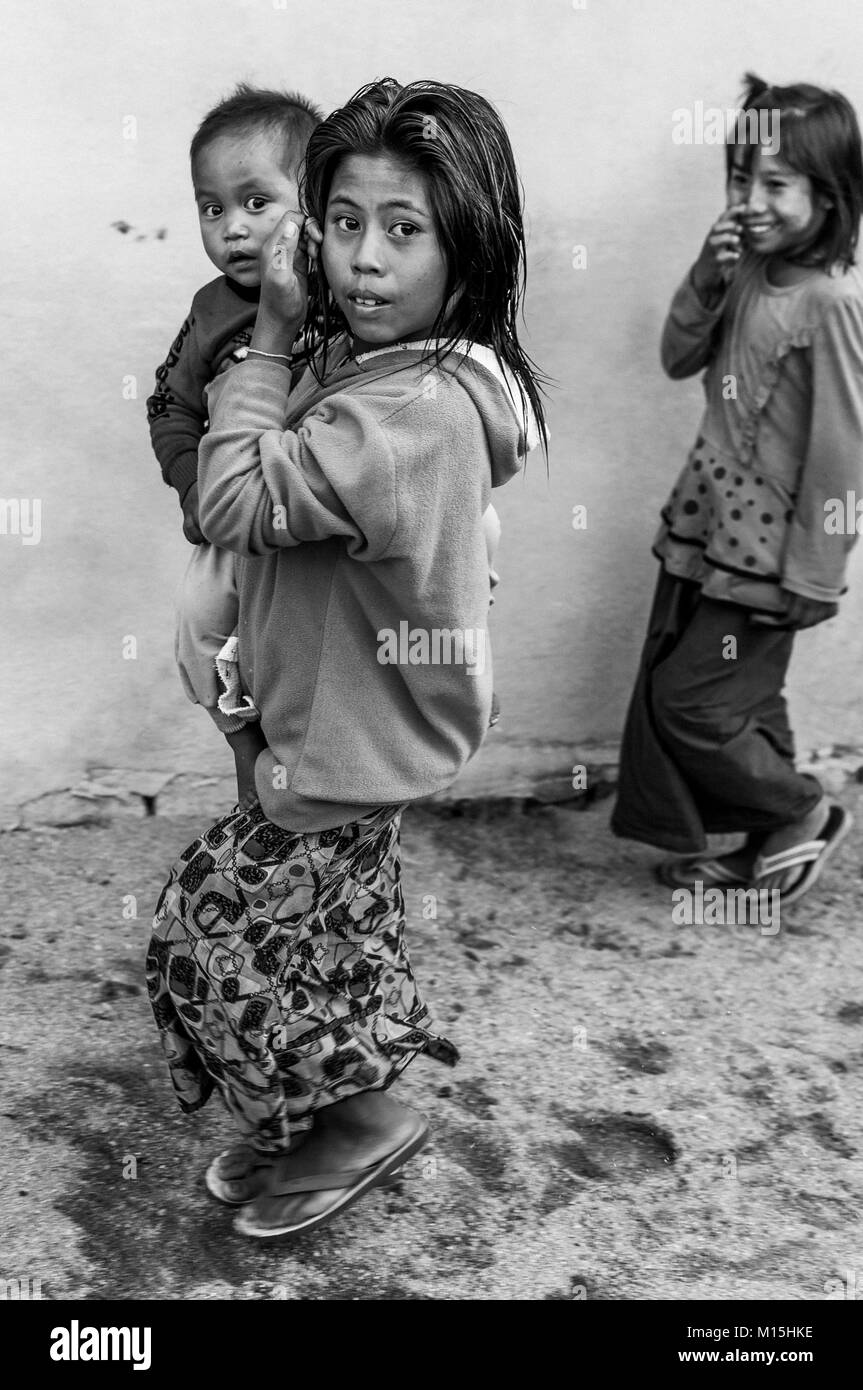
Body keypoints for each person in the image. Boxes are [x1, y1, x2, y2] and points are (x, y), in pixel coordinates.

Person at [146, 76, 547, 1239]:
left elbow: (228, 497)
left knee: (209, 941)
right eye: (346, 221)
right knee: (326, 936)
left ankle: (355, 1121)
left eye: (404, 229)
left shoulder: (404, 413)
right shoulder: (396, 363)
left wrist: (266, 341)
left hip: (342, 741)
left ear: (465, 253)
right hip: (350, 719)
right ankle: (330, 1119)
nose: (365, 257)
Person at [612, 74, 863, 905]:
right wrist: (704, 276)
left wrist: (814, 574)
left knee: (689, 701)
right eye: (739, 178)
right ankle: (766, 839)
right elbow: (678, 356)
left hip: (771, 553)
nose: (749, 200)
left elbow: (842, 452)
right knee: (742, 699)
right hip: (708, 527)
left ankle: (802, 812)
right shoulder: (747, 270)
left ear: (827, 199)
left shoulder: (829, 306)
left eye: (774, 184)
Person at [146, 85, 322, 805]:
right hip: (230, 524)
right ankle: (249, 767)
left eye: (256, 203)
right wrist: (194, 489)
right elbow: (167, 406)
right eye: (212, 208)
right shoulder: (211, 311)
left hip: (314, 531)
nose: (233, 230)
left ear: (312, 204)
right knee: (198, 630)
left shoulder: (346, 295)